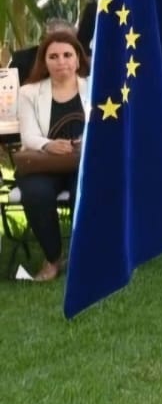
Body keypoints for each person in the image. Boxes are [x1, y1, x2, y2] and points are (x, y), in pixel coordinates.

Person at [14, 27, 89, 282]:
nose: (61, 62)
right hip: (43, 163)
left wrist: (83, 143)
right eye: (53, 56)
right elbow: (28, 136)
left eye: (67, 55)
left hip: (83, 161)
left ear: (78, 59)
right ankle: (53, 258)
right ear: (44, 62)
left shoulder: (94, 88)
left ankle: (87, 256)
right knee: (36, 193)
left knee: (87, 188)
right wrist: (49, 145)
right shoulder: (29, 92)